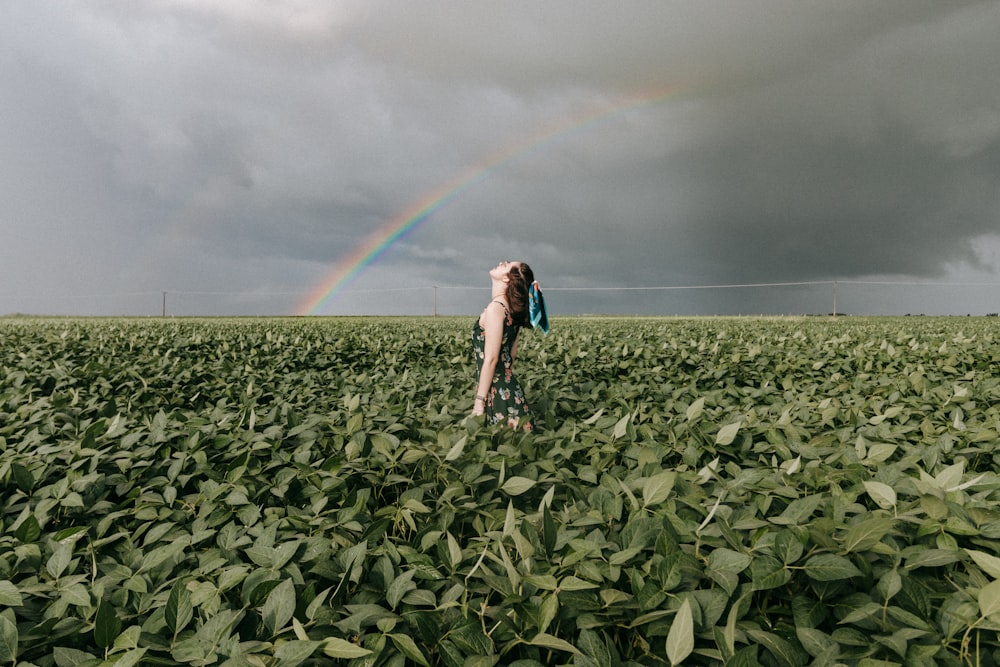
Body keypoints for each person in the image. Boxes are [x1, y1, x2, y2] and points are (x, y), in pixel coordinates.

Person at [471, 260, 548, 430]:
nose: (501, 262)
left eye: (506, 265)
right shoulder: (512, 311)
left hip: (497, 395)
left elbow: (491, 359)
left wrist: (479, 401)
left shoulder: (495, 309)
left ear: (507, 279)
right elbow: (511, 357)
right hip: (511, 393)